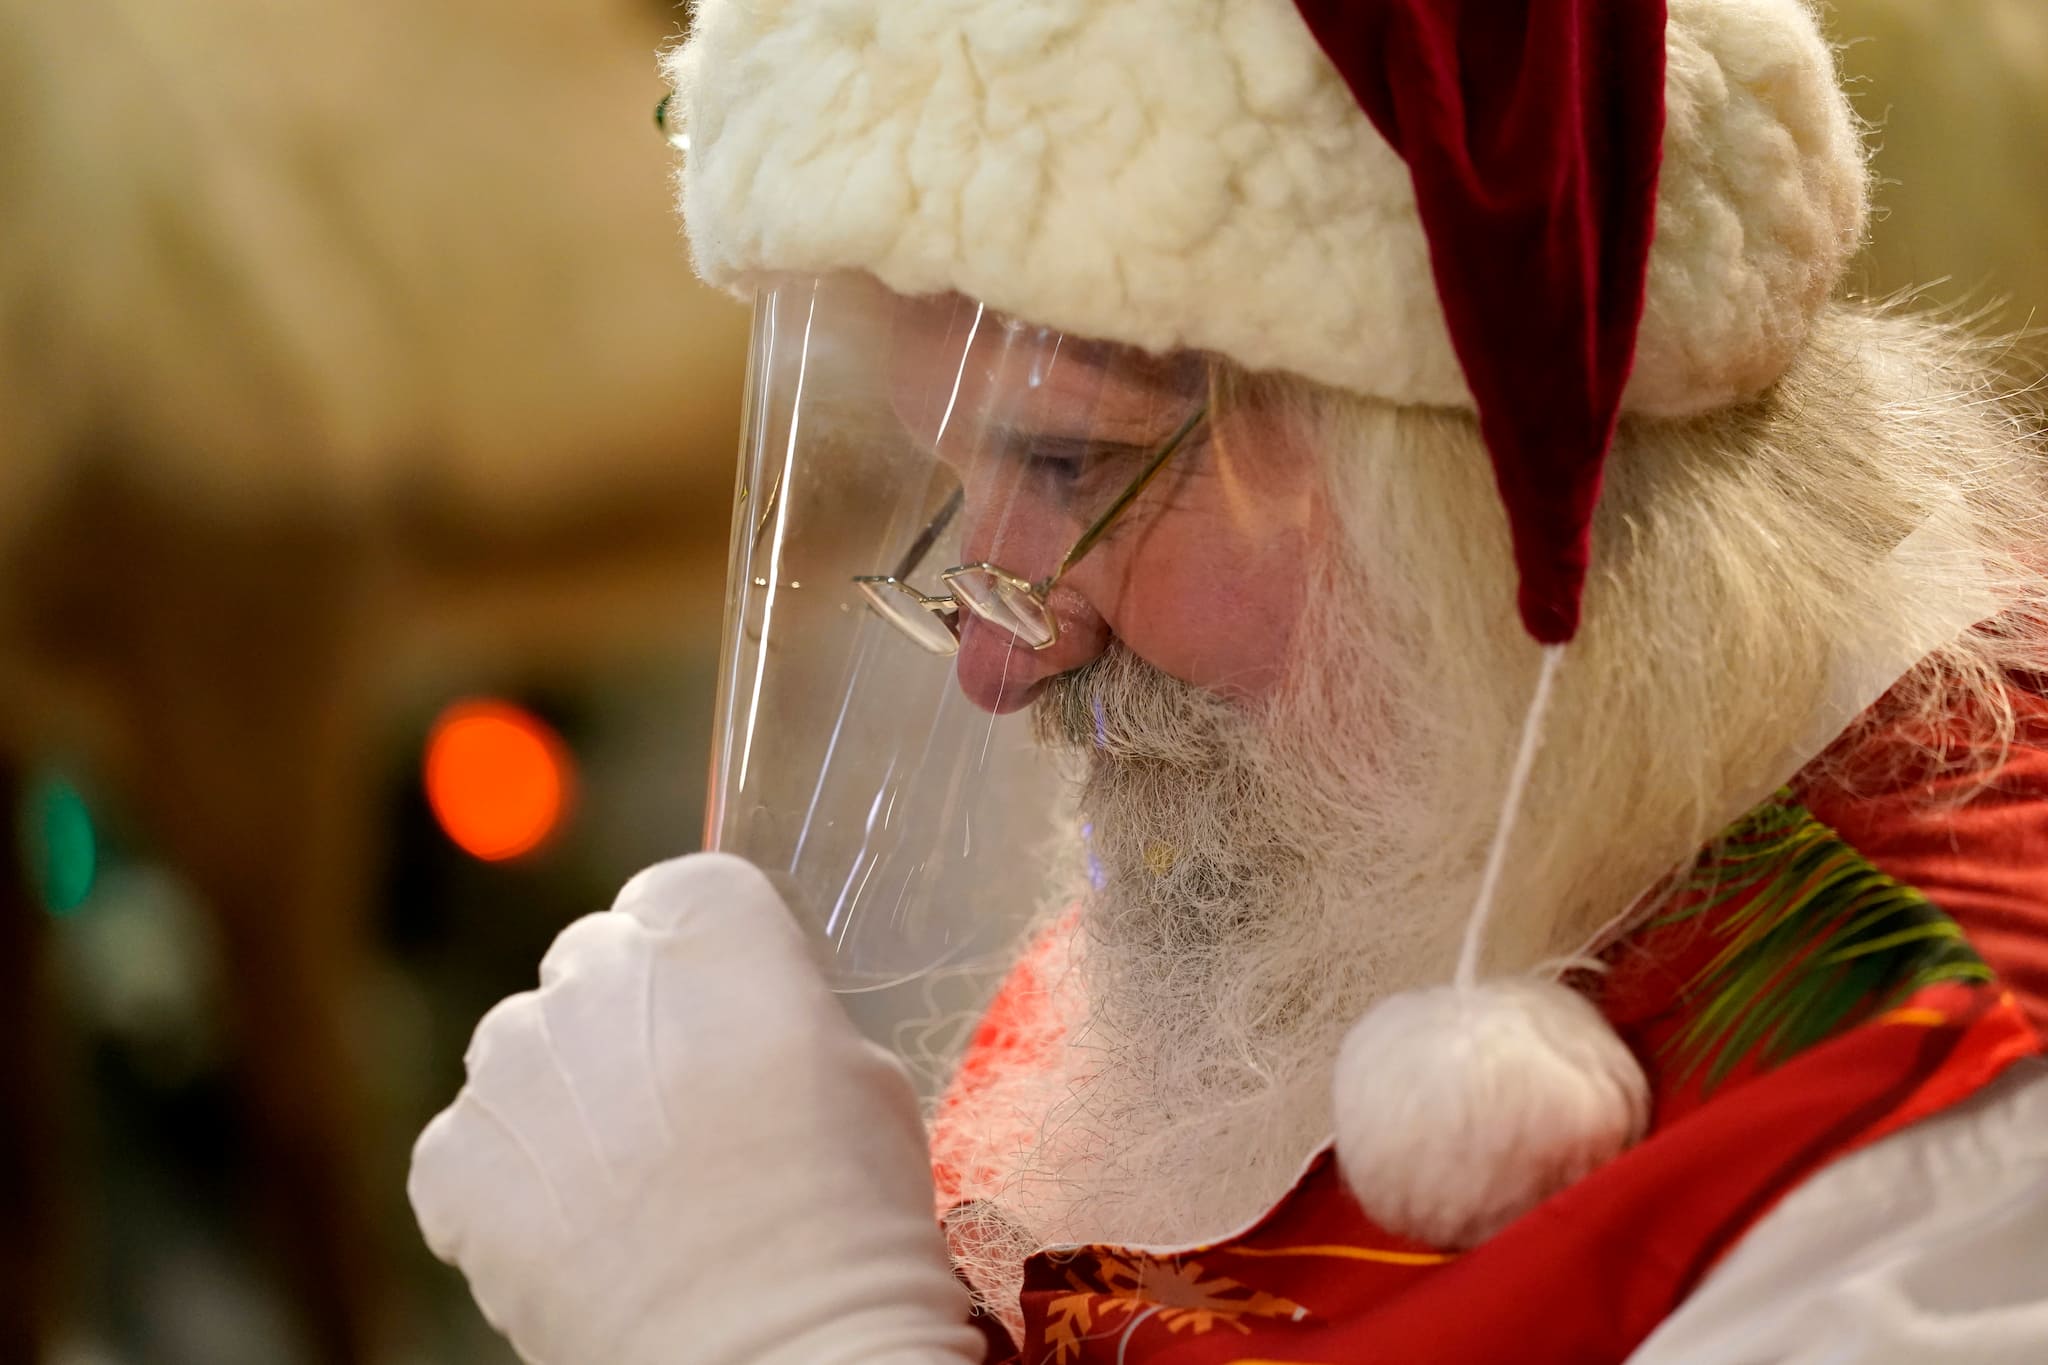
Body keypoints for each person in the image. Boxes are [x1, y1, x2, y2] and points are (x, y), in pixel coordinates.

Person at [408, 1, 2048, 1361]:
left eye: (1069, 463)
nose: (995, 652)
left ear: (1487, 475)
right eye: (955, 482)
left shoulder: (1952, 1129)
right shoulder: (1393, 830)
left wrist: (778, 1334)